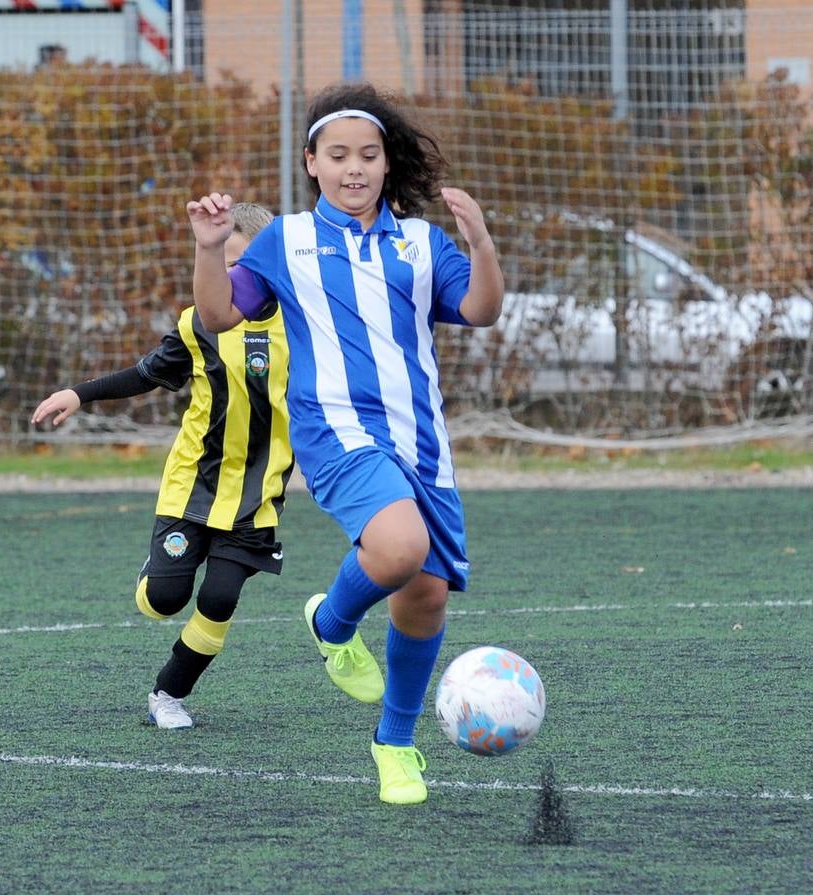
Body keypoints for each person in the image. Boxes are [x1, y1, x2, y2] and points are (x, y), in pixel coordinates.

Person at [186, 82, 505, 804]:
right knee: (398, 549)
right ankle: (333, 620)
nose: (354, 167)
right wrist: (210, 251)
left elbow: (482, 310)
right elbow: (218, 316)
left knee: (423, 596)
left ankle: (395, 745)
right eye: (339, 155)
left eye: (368, 154)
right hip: (337, 431)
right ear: (312, 162)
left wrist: (481, 244)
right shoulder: (286, 241)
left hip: (421, 443)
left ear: (388, 164)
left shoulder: (422, 243)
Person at [31, 202, 293, 730]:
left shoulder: (306, 324)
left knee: (219, 598)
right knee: (163, 600)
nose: (233, 276)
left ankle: (168, 695)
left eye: (244, 264)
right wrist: (79, 394)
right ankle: (156, 574)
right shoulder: (200, 325)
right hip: (193, 487)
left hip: (258, 495)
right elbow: (146, 374)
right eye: (224, 263)